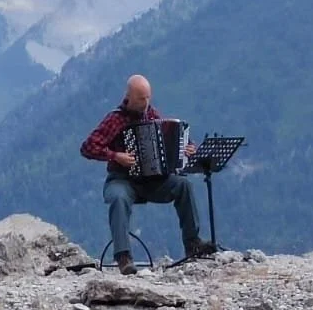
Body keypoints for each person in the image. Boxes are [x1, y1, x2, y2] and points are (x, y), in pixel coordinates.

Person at [80, 74, 217, 273]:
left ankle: (192, 243)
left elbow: (172, 144)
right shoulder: (115, 119)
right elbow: (87, 147)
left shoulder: (152, 116)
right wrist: (115, 155)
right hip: (122, 179)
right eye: (141, 99)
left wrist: (186, 149)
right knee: (118, 198)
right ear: (129, 97)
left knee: (183, 185)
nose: (145, 103)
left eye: (147, 98)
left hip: (152, 182)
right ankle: (123, 257)